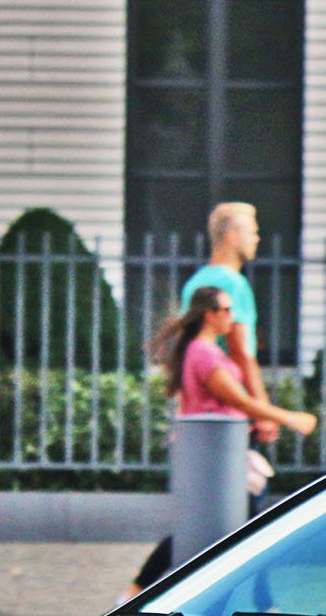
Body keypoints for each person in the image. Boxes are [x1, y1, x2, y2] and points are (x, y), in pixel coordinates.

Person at [126, 287, 307, 594]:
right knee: (235, 528)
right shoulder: (204, 353)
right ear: (209, 314)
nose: (231, 317)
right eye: (226, 310)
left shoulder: (209, 350)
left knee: (238, 527)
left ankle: (259, 600)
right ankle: (136, 590)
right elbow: (235, 398)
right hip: (215, 453)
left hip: (225, 449)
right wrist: (289, 418)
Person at [182, 201, 314, 443]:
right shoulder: (234, 284)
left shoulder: (194, 283)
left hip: (200, 412)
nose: (257, 239)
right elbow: (241, 352)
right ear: (232, 235)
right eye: (252, 232)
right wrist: (264, 413)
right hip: (231, 415)